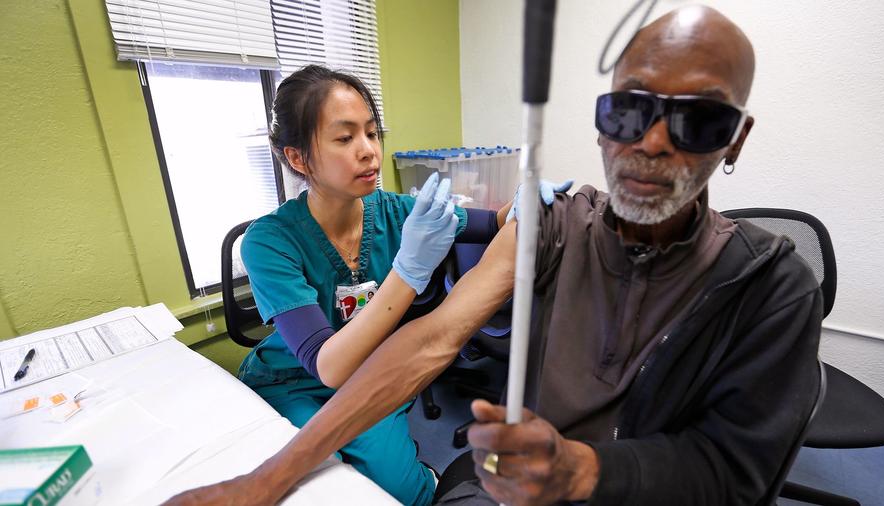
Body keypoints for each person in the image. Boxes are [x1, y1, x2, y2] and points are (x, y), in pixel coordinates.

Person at [166, 6, 821, 506]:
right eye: (629, 111)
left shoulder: (771, 285)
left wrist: (582, 470)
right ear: (601, 119)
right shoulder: (558, 230)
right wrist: (264, 481)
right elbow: (431, 339)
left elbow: (735, 471)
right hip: (491, 470)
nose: (652, 142)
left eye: (697, 120)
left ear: (734, 140)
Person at [231, 65, 569, 506]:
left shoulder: (395, 211)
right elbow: (327, 366)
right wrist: (407, 272)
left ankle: (420, 474)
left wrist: (522, 199)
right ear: (298, 158)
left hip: (373, 375)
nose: (369, 151)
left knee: (405, 494)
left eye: (372, 133)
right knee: (320, 485)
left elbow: (493, 222)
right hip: (293, 381)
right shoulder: (269, 241)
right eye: (345, 137)